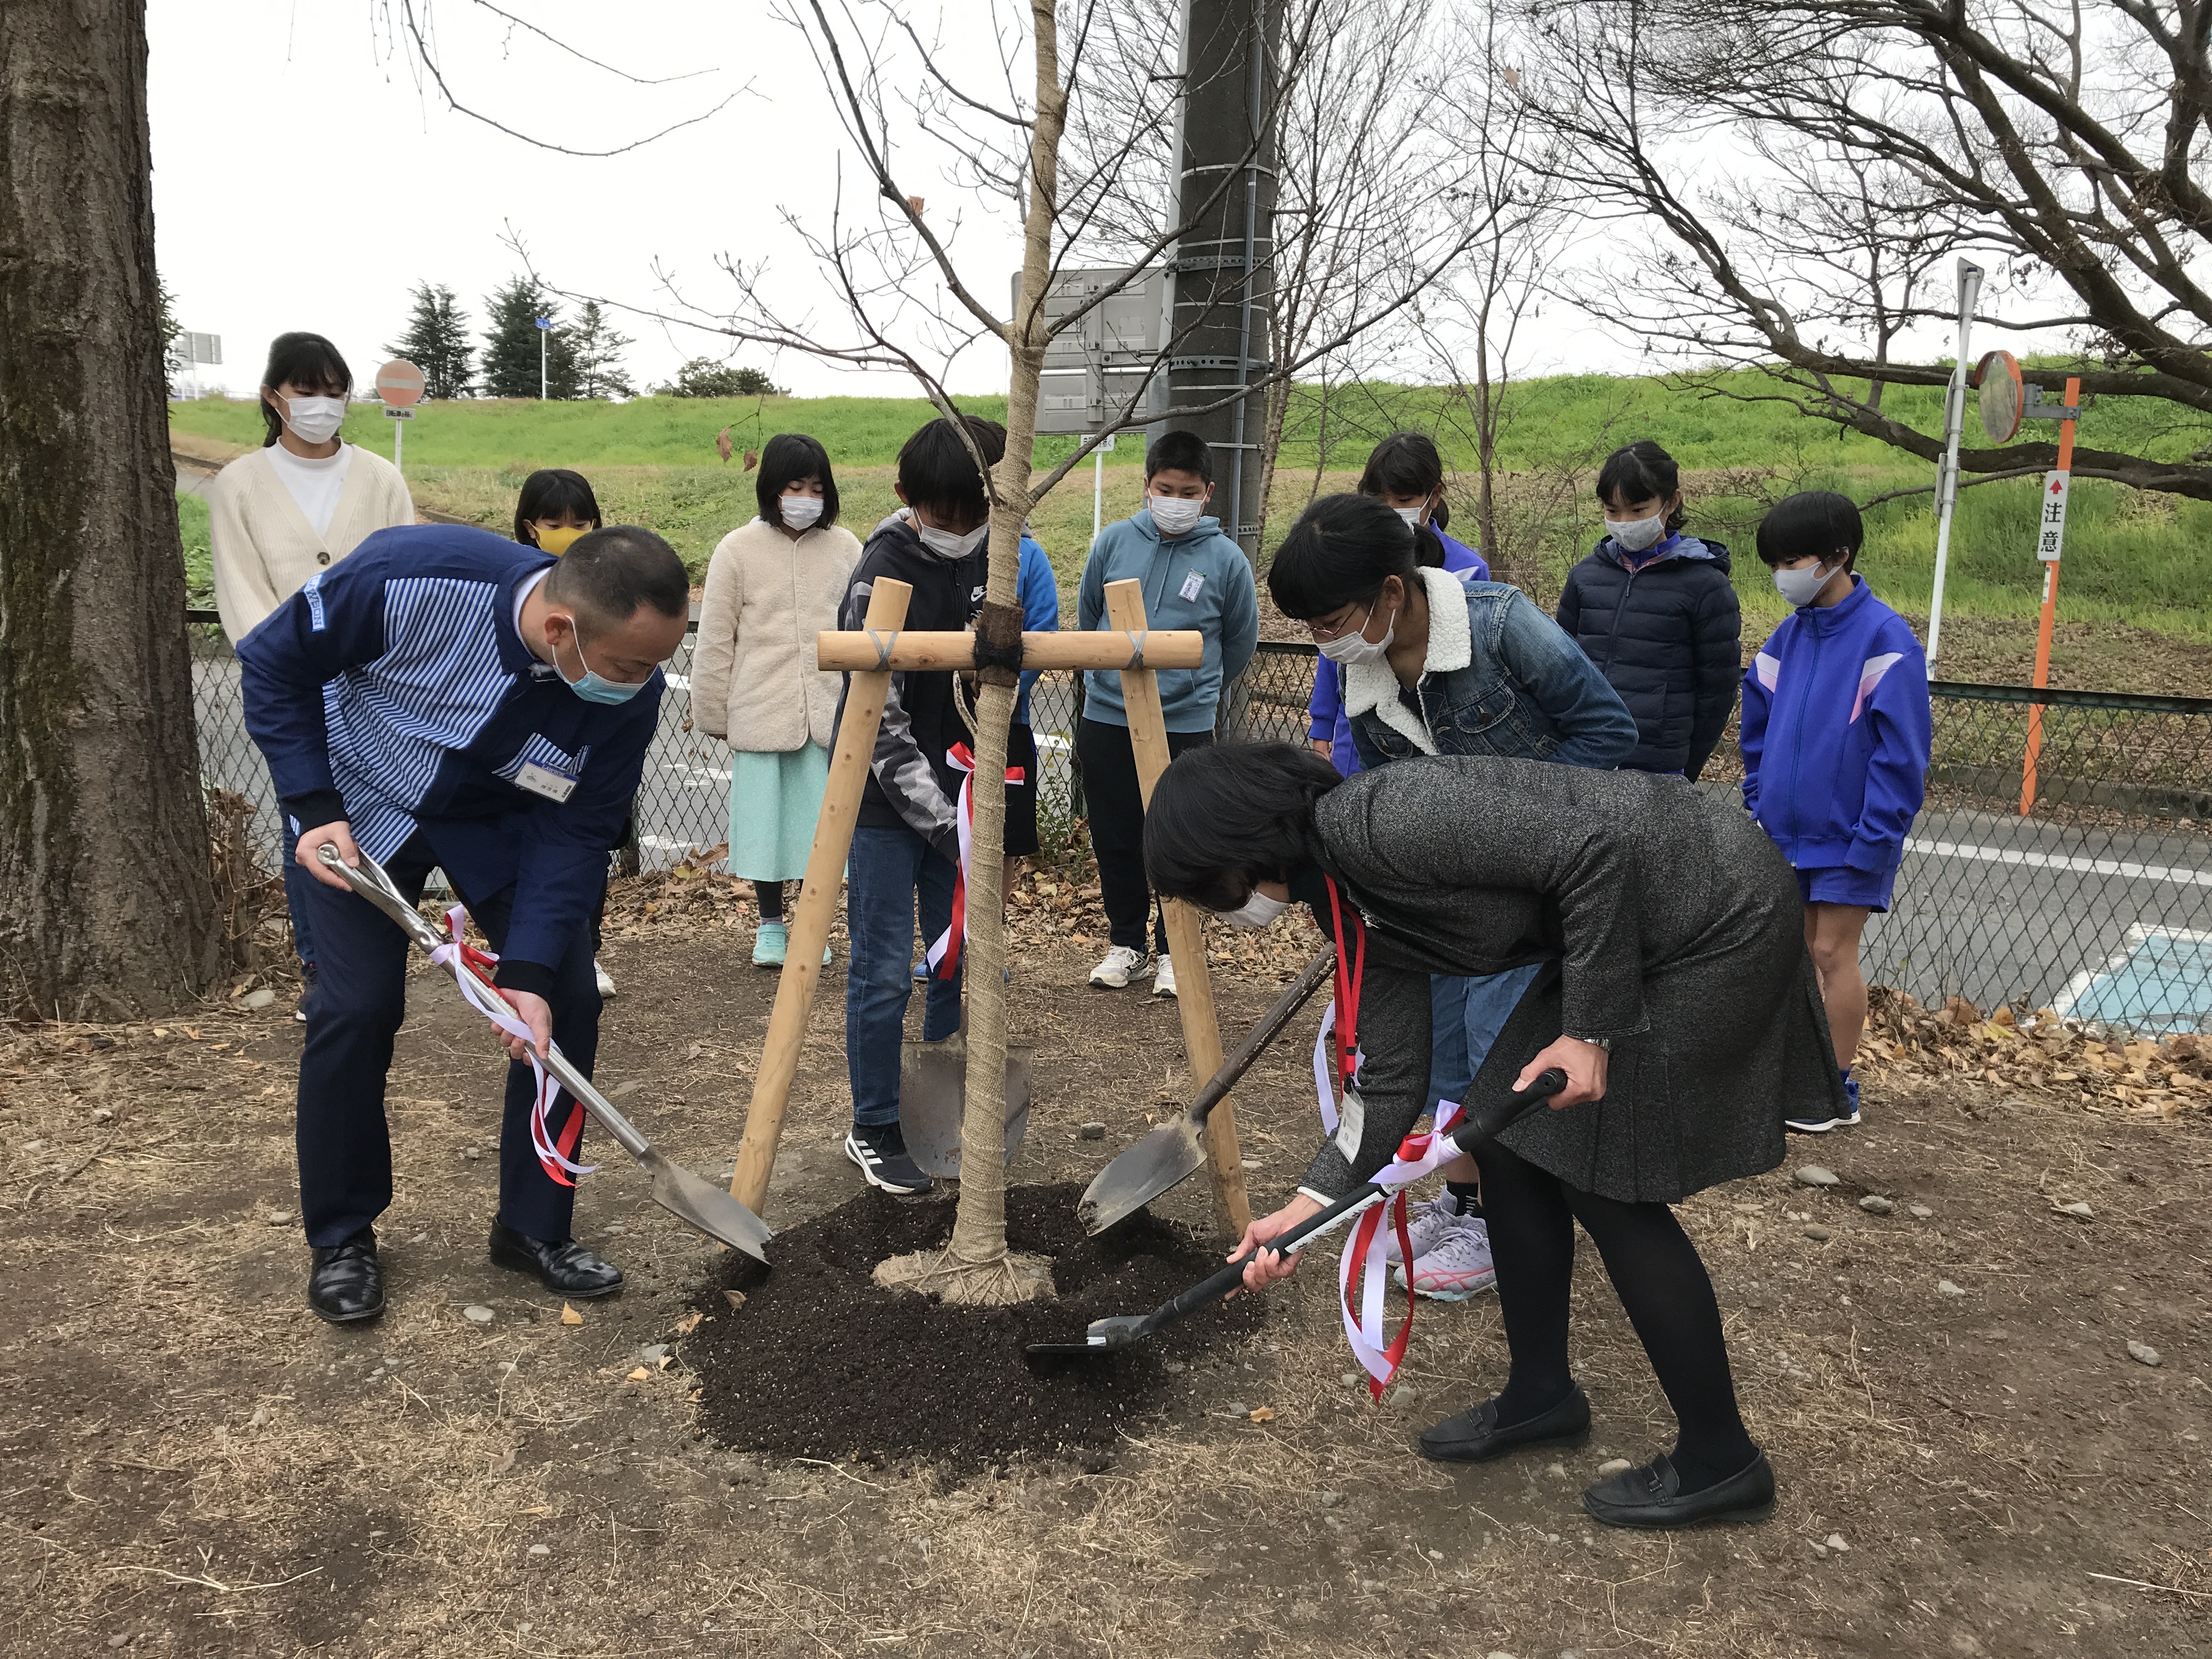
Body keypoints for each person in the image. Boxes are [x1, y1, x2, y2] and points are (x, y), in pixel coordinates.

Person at [1145, 743, 1848, 1530]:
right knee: (1504, 1138)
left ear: (1239, 846)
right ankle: (1541, 1395)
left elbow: (1595, 851)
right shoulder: (1344, 896)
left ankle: (1725, 1460)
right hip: (1632, 935)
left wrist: (1589, 1030)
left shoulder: (1385, 821)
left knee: (1599, 1174)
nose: (1221, 913)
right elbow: (1391, 1077)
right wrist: (1304, 1209)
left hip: (1714, 913)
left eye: (1210, 893)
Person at [236, 521, 692, 1324]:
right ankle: (343, 1235)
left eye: (658, 663)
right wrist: (311, 805)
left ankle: (532, 1225)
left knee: (568, 999)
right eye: (629, 663)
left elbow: (580, 830)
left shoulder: (629, 693)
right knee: (355, 1008)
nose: (645, 682)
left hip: (500, 822)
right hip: (354, 802)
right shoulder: (408, 576)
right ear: (561, 629)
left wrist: (530, 975)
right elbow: (276, 661)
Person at [1269, 493, 1638, 1302]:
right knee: (1440, 1054)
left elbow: (1608, 732)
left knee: (1496, 1051)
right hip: (1446, 895)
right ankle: (1466, 1201)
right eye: (1311, 626)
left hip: (1535, 884)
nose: (1323, 639)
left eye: (1331, 618)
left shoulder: (1500, 625)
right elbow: (1392, 785)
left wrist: (1513, 824)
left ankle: (1506, 1224)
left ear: (1392, 594)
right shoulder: (1363, 667)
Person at [207, 332, 415, 1020]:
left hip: (374, 682)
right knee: (310, 821)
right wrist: (282, 665)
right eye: (306, 391)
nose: (322, 405)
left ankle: (379, 956)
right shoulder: (240, 483)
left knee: (379, 818)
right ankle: (321, 969)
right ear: (274, 397)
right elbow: (241, 587)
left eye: (334, 391)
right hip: (291, 686)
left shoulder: (381, 478)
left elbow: (403, 573)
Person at [836, 415, 1013, 1197]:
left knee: (959, 959)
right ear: (907, 497)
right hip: (890, 805)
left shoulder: (997, 558)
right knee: (881, 971)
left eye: (971, 514)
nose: (957, 530)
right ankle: (874, 1124)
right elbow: (876, 718)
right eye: (943, 515)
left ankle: (944, 1113)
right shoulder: (882, 571)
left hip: (968, 790)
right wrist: (945, 819)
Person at [1741, 492, 1931, 1133]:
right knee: (1792, 957)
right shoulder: (1787, 636)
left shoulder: (1885, 635)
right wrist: (1757, 797)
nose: (1783, 573)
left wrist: (1876, 835)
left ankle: (1834, 1086)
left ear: (1837, 557)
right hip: (1784, 830)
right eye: (1776, 561)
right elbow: (1757, 723)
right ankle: (1796, 1076)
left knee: (1831, 951)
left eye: (1793, 559)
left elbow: (1901, 754)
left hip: (1852, 834)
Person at [1075, 430, 1258, 998]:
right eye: (1164, 489)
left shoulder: (1226, 560)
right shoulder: (1112, 543)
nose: (1175, 500)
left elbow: (1238, 641)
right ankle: (1125, 942)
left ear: (1207, 493)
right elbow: (1089, 616)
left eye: (1188, 491)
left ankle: (1174, 951)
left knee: (1181, 837)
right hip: (1107, 715)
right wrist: (1105, 674)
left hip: (1184, 723)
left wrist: (1195, 688)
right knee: (1116, 834)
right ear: (1147, 487)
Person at [692, 435, 864, 968]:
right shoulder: (736, 550)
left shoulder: (847, 548)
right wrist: (712, 710)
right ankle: (770, 926)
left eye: (816, 487)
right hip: (761, 706)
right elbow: (716, 637)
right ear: (772, 488)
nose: (806, 497)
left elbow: (866, 626)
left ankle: (814, 925)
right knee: (766, 825)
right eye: (795, 486)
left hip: (829, 707)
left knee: (824, 825)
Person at [1554, 441, 1743, 778]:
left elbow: (1717, 690)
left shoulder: (1705, 584)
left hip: (1659, 768)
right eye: (1613, 512)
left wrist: (1688, 766)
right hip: (1586, 760)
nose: (1625, 522)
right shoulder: (1585, 577)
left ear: (1671, 502)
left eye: (1638, 511)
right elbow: (1558, 667)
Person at [1308, 432, 1489, 776]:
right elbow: (1333, 640)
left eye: (1404, 498)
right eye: (1379, 499)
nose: (1390, 511)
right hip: (1360, 725)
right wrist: (1322, 722)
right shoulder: (1350, 558)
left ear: (1434, 496)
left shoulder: (1467, 569)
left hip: (1441, 731)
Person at [513, 469, 624, 999]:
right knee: (531, 857)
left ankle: (586, 953)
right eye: (555, 523)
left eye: (581, 523)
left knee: (587, 847)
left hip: (584, 747)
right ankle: (526, 959)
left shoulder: (609, 590)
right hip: (523, 751)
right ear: (530, 527)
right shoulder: (519, 585)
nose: (568, 533)